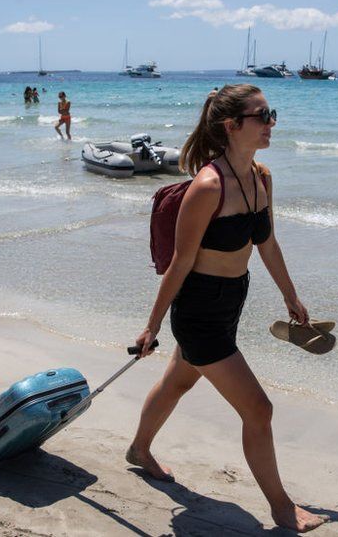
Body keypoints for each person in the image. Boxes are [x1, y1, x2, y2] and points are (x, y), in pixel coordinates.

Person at [129, 84, 327, 533]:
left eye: (271, 113)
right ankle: (280, 506)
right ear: (232, 125)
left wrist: (291, 297)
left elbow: (268, 243)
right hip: (199, 311)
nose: (271, 122)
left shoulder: (261, 177)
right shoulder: (208, 187)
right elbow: (179, 264)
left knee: (178, 382)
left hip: (232, 300)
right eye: (263, 115)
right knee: (259, 410)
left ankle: (139, 449)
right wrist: (152, 326)